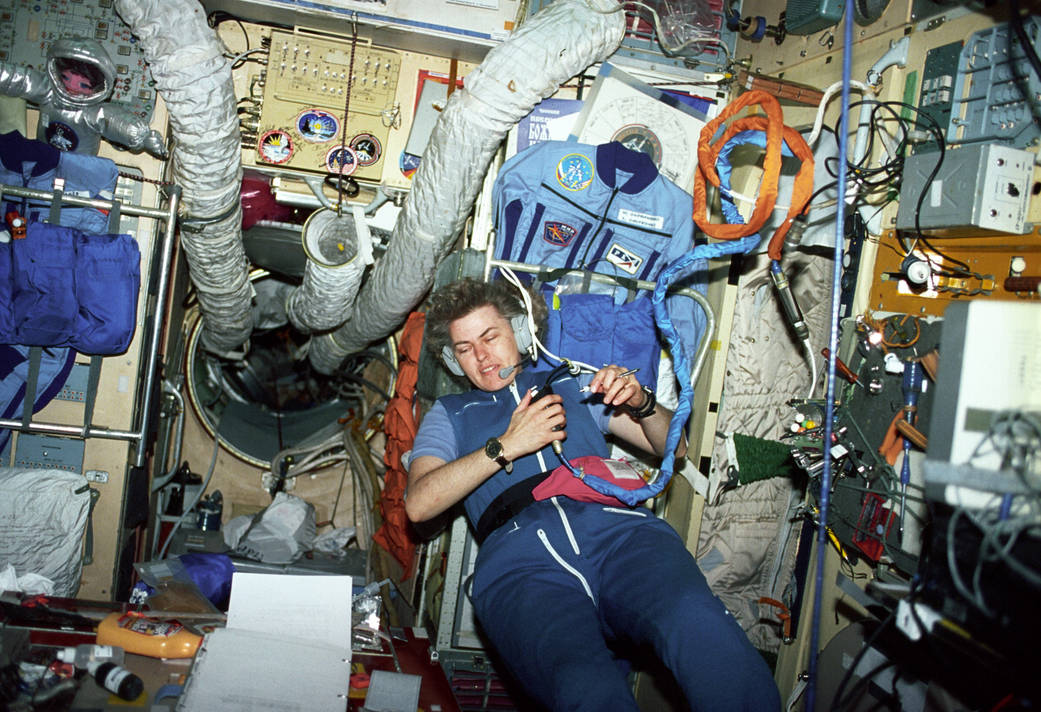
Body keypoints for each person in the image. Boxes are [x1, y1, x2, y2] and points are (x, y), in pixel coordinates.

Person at [406, 278, 780, 712]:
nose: (482, 356)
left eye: (490, 336)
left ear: (522, 332)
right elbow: (419, 503)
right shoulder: (450, 414)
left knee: (700, 629)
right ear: (453, 360)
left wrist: (640, 401)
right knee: (583, 689)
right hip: (519, 562)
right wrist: (506, 445)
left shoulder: (570, 382)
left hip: (618, 534)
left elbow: (672, 447)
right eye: (466, 348)